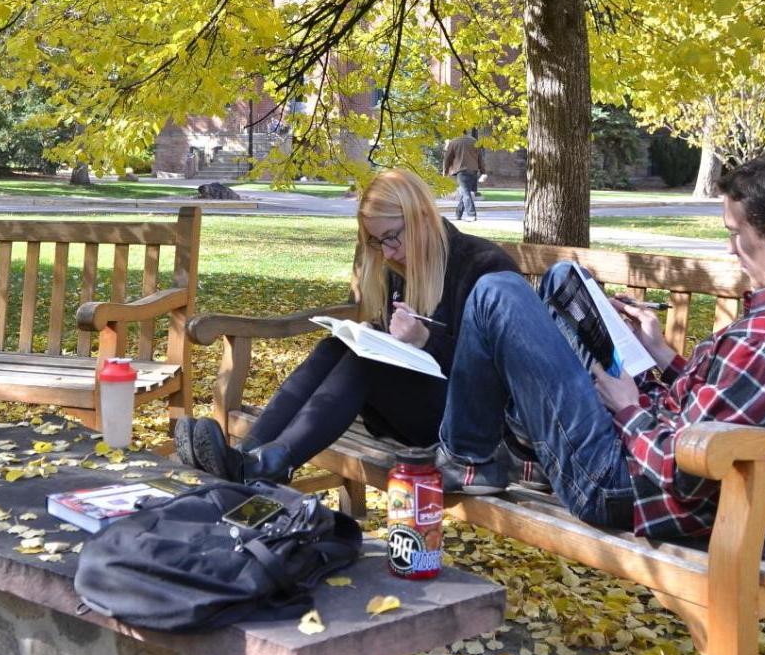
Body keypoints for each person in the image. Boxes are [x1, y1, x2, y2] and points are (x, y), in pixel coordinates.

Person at [433, 151, 765, 539]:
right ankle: (530, 448)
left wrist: (627, 407)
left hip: (623, 485)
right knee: (566, 281)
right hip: (675, 450)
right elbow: (737, 402)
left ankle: (467, 460)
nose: (730, 249)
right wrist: (663, 355)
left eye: (735, 231)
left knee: (498, 293)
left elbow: (678, 472)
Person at [174, 168, 520, 484]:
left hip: (469, 431)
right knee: (335, 346)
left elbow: (496, 374)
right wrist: (379, 333)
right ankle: (249, 455)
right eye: (377, 242)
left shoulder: (482, 267)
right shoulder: (402, 266)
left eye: (391, 237)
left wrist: (425, 339)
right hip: (413, 411)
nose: (387, 253)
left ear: (422, 218)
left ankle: (270, 466)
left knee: (368, 360)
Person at [442, 130, 483, 221]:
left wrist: (445, 171)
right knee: (466, 192)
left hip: (462, 171)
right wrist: (483, 171)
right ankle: (458, 214)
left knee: (465, 193)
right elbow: (480, 158)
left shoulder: (454, 142)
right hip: (473, 171)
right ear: (466, 132)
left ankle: (471, 214)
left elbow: (447, 158)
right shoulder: (474, 142)